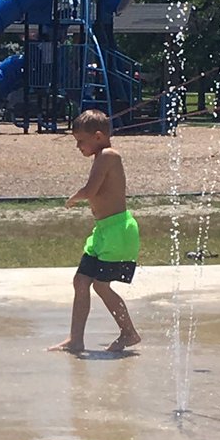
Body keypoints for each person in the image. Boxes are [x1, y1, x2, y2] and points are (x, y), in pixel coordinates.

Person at [48, 109, 140, 355]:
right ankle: (75, 340)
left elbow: (91, 190)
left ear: (98, 136)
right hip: (102, 231)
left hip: (118, 231)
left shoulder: (108, 155)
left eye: (80, 141)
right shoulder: (101, 156)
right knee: (81, 281)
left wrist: (74, 198)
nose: (78, 147)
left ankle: (129, 332)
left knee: (101, 285)